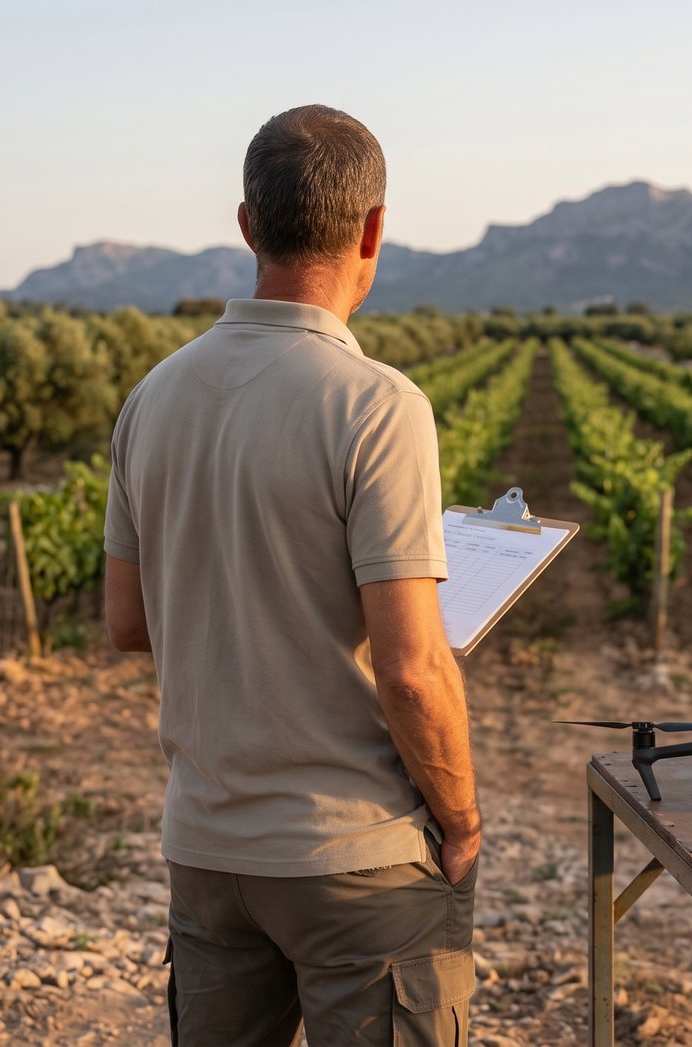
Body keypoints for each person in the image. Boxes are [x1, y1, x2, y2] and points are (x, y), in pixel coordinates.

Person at [103, 104, 480, 1046]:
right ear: (373, 229)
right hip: (356, 859)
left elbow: (126, 621)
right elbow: (411, 670)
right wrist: (462, 817)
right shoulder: (378, 405)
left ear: (245, 224)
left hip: (206, 851)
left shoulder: (152, 397)